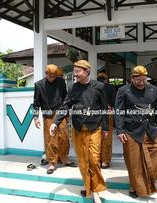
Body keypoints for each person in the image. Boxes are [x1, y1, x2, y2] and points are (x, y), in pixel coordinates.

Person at [50, 60, 109, 203]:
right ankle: (87, 184)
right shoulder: (73, 87)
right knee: (83, 160)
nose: (75, 74)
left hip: (94, 127)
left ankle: (95, 191)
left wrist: (106, 127)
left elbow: (104, 108)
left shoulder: (99, 86)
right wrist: (55, 122)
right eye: (74, 71)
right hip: (78, 128)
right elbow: (65, 106)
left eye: (78, 71)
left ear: (86, 71)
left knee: (94, 160)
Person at [114, 65, 157, 198]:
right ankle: (134, 186)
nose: (142, 82)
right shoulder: (123, 90)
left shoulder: (153, 89)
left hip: (151, 128)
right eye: (138, 80)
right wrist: (119, 131)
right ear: (132, 78)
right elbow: (118, 111)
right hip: (131, 130)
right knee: (133, 161)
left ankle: (148, 180)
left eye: (144, 79)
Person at [33, 64, 76, 175]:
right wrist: (35, 117)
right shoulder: (39, 85)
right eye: (50, 75)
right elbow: (36, 103)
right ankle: (52, 162)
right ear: (46, 74)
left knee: (64, 137)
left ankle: (64, 158)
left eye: (54, 76)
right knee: (51, 139)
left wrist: (66, 115)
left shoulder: (61, 82)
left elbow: (65, 98)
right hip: (48, 114)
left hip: (60, 112)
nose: (52, 78)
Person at [97, 72, 117, 169]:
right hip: (108, 114)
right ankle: (105, 161)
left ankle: (97, 159)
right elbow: (114, 103)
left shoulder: (94, 86)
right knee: (107, 137)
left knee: (96, 137)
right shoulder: (111, 88)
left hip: (95, 114)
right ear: (106, 79)